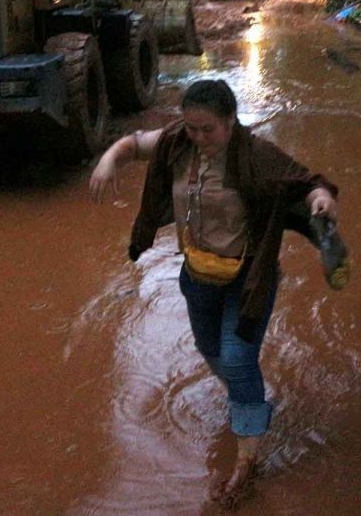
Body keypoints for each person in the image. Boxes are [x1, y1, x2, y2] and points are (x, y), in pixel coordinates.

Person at [89, 79, 339, 507]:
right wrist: (110, 160)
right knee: (212, 350)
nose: (199, 138)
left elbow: (308, 182)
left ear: (230, 121)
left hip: (248, 279)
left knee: (237, 357)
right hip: (198, 276)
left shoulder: (256, 155)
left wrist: (320, 200)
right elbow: (132, 143)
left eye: (208, 129)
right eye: (191, 128)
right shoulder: (175, 143)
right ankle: (251, 401)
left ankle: (246, 459)